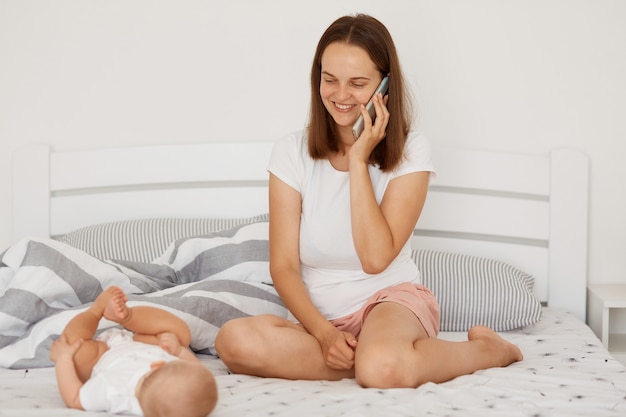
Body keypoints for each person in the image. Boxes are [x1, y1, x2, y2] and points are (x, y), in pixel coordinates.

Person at [214, 13, 523, 389]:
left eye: (357, 83)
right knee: (233, 342)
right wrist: (326, 335)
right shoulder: (290, 152)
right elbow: (283, 266)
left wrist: (359, 161)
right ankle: (378, 361)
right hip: (320, 319)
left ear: (385, 84)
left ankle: (488, 351)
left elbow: (376, 259)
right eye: (330, 80)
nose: (341, 96)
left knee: (380, 367)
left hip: (390, 302)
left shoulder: (412, 151)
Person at [49, 286, 217, 417]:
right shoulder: (166, 402)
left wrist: (64, 359)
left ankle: (95, 311)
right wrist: (178, 349)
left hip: (102, 355)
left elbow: (74, 398)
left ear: (157, 365)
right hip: (144, 342)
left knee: (75, 350)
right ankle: (127, 316)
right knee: (181, 334)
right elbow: (194, 366)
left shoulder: (112, 392)